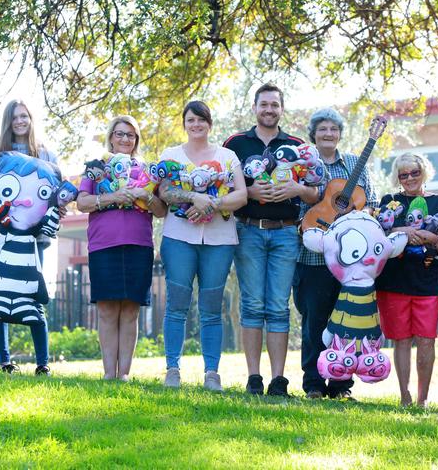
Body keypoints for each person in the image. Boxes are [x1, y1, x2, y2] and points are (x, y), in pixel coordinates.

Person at [224, 83, 318, 396]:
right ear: (255, 107)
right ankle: (254, 377)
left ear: (281, 109)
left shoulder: (297, 145)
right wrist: (247, 191)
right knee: (252, 304)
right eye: (264, 104)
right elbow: (220, 188)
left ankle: (278, 380)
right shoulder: (235, 144)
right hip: (248, 229)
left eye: (274, 105)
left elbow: (315, 192)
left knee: (279, 306)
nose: (269, 110)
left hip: (286, 232)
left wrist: (298, 190)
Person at [158, 101, 247, 391]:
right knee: (177, 305)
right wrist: (192, 198)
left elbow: (242, 195)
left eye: (201, 120)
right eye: (191, 120)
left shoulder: (227, 156)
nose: (196, 125)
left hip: (219, 241)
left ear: (210, 124)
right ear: (184, 123)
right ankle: (172, 369)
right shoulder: (171, 155)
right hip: (179, 239)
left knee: (211, 308)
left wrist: (212, 203)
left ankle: (212, 373)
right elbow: (164, 191)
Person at [293, 107, 378, 400]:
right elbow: (298, 204)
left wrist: (357, 216)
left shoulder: (355, 162)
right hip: (313, 258)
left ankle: (341, 385)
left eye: (333, 129)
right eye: (323, 129)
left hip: (350, 262)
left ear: (340, 134)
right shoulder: (304, 165)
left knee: (346, 322)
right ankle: (314, 382)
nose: (328, 134)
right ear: (313, 135)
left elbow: (373, 202)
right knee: (314, 320)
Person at [76, 115, 167, 381]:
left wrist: (145, 196)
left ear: (136, 140)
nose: (125, 139)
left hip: (139, 244)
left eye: (130, 135)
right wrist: (112, 197)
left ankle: (124, 374)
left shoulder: (148, 171)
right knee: (106, 309)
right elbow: (82, 203)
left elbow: (161, 211)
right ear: (111, 137)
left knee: (130, 309)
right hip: (104, 244)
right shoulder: (97, 167)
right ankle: (108, 373)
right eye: (120, 134)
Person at [0, 99, 59, 376]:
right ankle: (5, 362)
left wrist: (50, 220)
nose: (20, 121)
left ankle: (43, 363)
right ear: (8, 121)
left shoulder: (47, 156)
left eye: (24, 116)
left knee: (33, 295)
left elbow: (56, 196)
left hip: (33, 239)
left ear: (31, 118)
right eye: (14, 117)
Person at [375, 152, 438, 407]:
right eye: (403, 174)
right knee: (400, 339)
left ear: (424, 172)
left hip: (428, 282)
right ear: (397, 177)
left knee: (425, 339)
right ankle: (404, 396)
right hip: (393, 281)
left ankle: (423, 399)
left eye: (414, 173)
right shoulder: (389, 202)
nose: (409, 178)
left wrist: (431, 238)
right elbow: (377, 234)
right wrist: (403, 230)